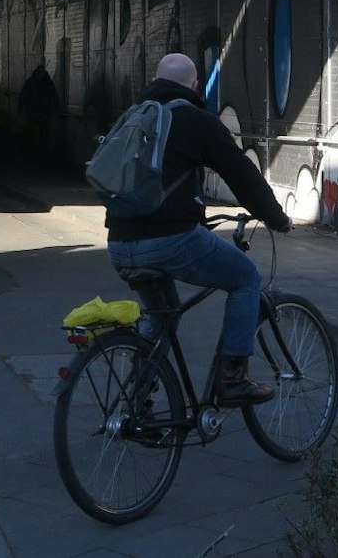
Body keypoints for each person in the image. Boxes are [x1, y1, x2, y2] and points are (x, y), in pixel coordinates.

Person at [108, 52, 293, 405]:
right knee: (246, 280)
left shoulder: (131, 118)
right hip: (169, 240)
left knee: (161, 315)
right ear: (194, 85)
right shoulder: (194, 120)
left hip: (119, 242)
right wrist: (275, 217)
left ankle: (136, 402)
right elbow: (241, 173)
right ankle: (233, 379)